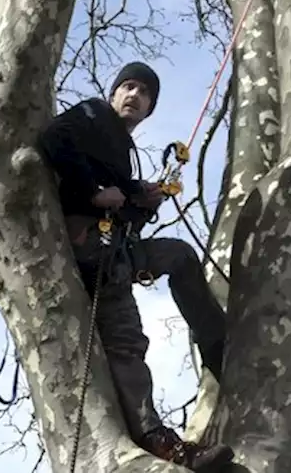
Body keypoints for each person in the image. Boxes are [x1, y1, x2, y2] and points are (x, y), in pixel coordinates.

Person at [37, 61, 233, 471]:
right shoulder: (93, 114)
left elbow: (117, 196)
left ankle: (219, 347)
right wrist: (93, 193)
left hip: (118, 248)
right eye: (128, 87)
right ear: (113, 94)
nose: (134, 96)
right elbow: (54, 138)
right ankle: (156, 438)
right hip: (93, 250)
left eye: (144, 94)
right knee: (126, 342)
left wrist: (138, 197)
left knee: (178, 255)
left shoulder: (123, 151)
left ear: (149, 110)